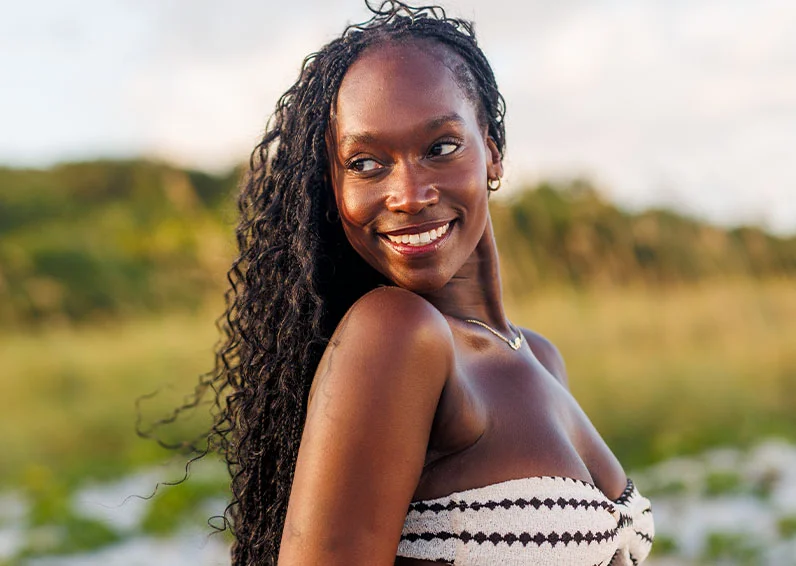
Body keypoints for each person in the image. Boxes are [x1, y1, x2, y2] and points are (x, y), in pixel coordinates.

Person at [205, 1, 655, 564]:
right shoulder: (395, 333)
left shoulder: (537, 355)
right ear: (334, 183)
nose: (409, 194)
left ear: (491, 151)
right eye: (366, 163)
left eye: (440, 148)